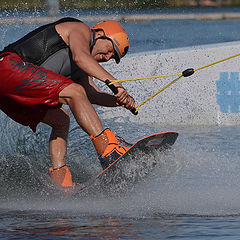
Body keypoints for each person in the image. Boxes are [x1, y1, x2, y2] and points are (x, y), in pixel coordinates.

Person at [0, 17, 135, 188]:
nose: (107, 57)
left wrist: (119, 101)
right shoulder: (81, 30)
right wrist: (116, 85)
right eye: (110, 49)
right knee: (75, 92)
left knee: (61, 120)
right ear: (101, 34)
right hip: (6, 67)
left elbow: (92, 94)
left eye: (112, 57)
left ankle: (60, 179)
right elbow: (80, 58)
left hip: (8, 93)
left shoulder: (83, 68)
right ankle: (109, 150)